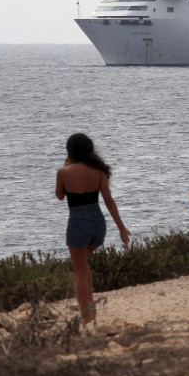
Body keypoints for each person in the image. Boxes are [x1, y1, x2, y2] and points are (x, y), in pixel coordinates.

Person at [56, 133, 130, 328]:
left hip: (77, 224)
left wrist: (65, 167)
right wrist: (121, 228)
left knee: (79, 271)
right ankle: (91, 312)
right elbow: (109, 201)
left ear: (70, 152)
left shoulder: (63, 173)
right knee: (84, 266)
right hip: (98, 224)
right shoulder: (99, 172)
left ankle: (87, 318)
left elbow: (59, 196)